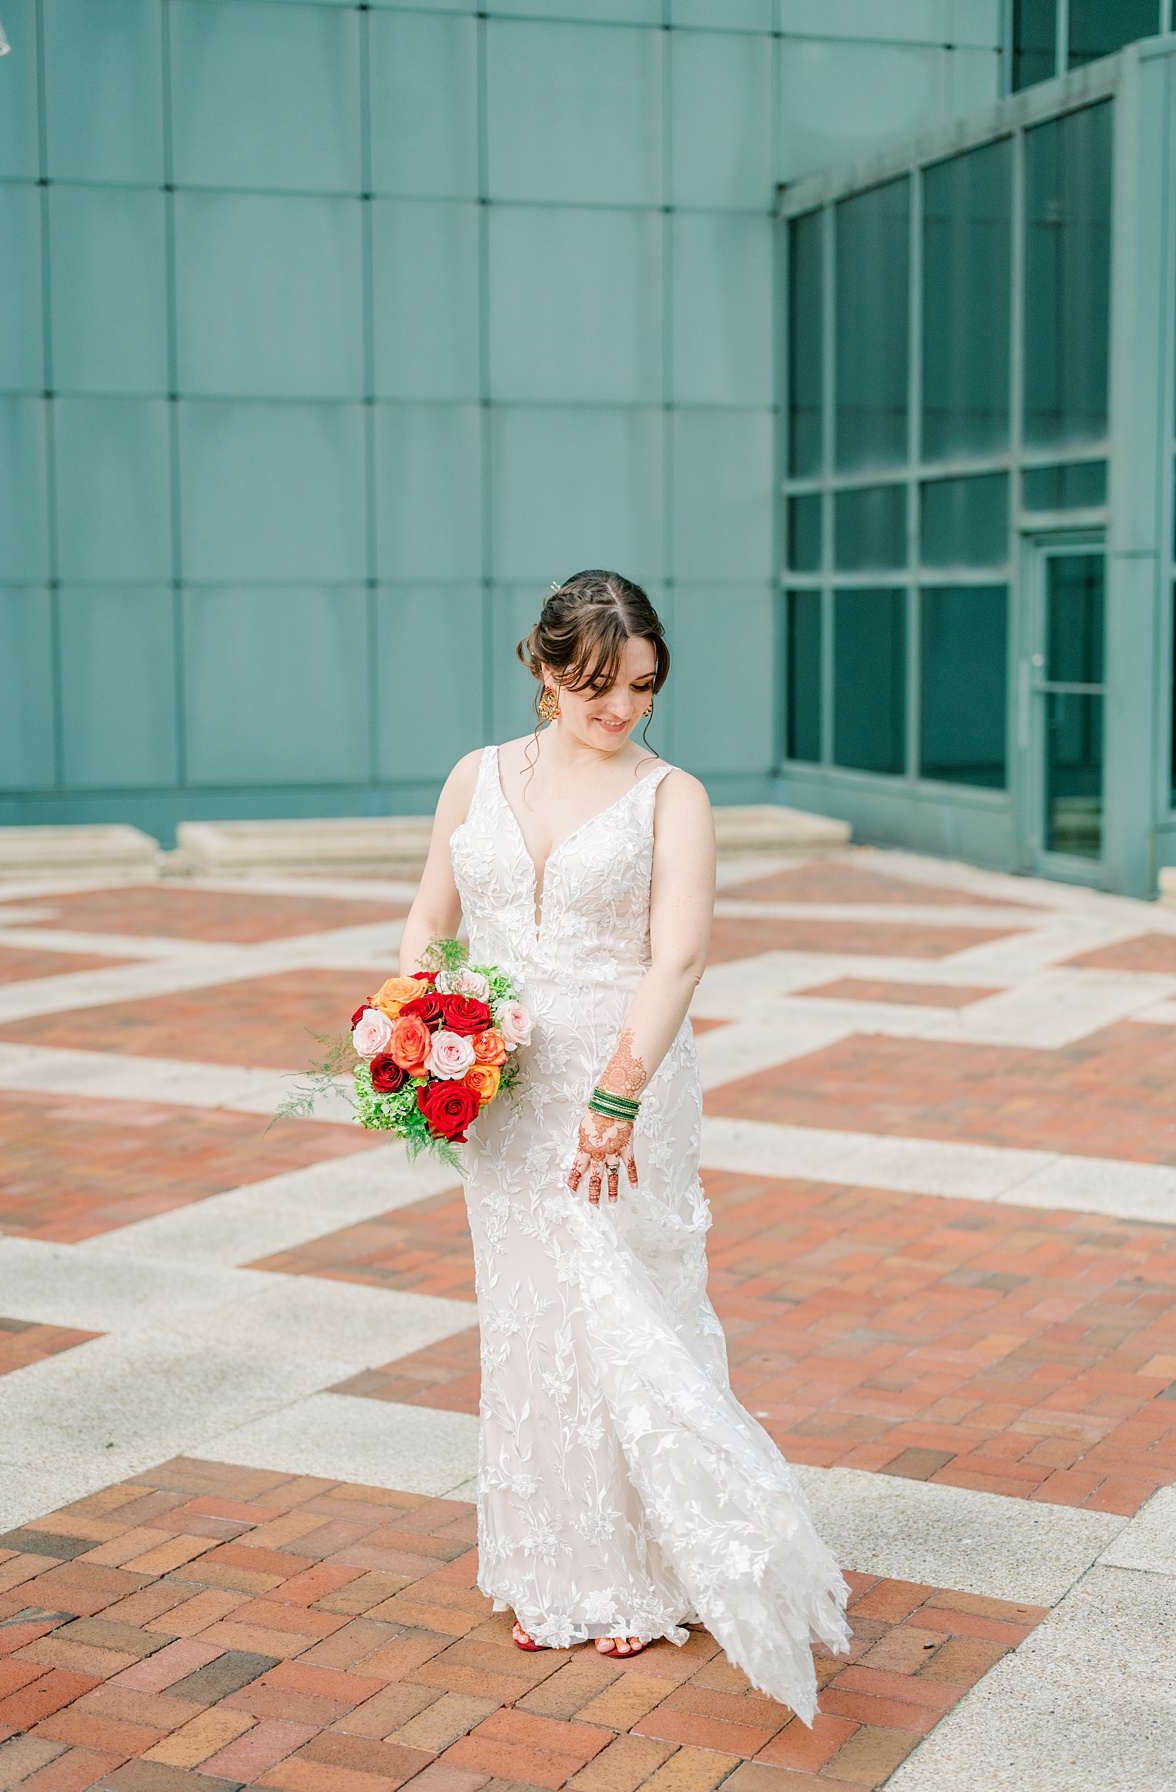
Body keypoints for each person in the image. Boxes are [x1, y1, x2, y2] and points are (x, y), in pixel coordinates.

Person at [397, 571, 849, 1725]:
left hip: (622, 1078)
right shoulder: (475, 775)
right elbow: (429, 917)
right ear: (544, 671)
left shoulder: (672, 796)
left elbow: (680, 957)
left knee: (626, 1310)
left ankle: (647, 1570)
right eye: (597, 687)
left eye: (641, 687)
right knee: (531, 1315)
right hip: (501, 1089)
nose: (621, 711)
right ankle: (549, 1563)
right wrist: (414, 1029)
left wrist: (620, 1095)